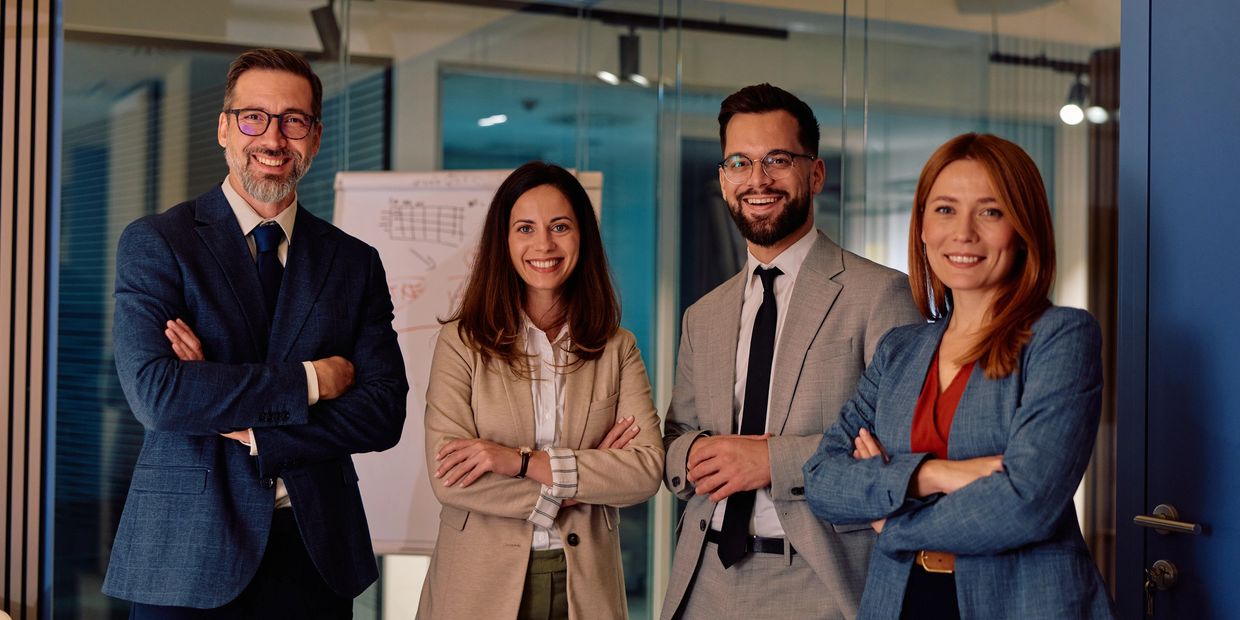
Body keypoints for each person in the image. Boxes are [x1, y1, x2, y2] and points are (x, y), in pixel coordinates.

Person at [103, 48, 409, 618]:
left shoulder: (353, 262)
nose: (273, 138)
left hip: (314, 552)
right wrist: (313, 381)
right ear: (224, 128)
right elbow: (159, 396)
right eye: (254, 118)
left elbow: (382, 412)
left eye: (293, 120)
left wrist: (234, 410)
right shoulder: (159, 242)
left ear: (315, 138)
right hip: (186, 556)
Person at [803, 133, 1116, 618]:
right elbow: (823, 479)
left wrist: (894, 520)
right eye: (945, 210)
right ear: (922, 227)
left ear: (1023, 228)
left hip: (1019, 603)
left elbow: (1027, 503)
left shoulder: (1060, 337)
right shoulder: (899, 350)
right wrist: (932, 474)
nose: (963, 233)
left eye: (990, 211)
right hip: (900, 600)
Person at [661, 84, 922, 619]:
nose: (757, 179)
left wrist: (771, 461)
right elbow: (674, 437)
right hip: (703, 582)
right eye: (740, 163)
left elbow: (904, 448)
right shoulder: (702, 315)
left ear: (816, 174)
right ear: (724, 179)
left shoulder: (881, 295)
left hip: (819, 582)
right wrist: (690, 454)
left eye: (777, 160)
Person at [418, 162, 664, 620]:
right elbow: (449, 477)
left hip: (585, 586)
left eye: (560, 227)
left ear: (582, 237)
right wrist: (576, 486)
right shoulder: (462, 344)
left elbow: (645, 470)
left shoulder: (618, 348)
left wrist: (520, 463)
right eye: (525, 228)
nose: (544, 244)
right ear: (504, 241)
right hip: (476, 586)